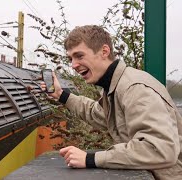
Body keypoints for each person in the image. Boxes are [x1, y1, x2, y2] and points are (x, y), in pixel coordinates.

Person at [40, 25, 182, 180]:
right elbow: (97, 114)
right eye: (71, 59)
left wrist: (90, 159)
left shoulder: (134, 89)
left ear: (104, 51)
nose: (73, 65)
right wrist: (61, 95)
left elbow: (160, 150)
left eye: (79, 56)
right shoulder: (114, 88)